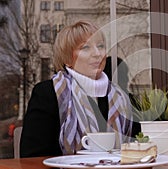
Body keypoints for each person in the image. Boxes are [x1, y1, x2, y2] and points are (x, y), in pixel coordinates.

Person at [20, 20, 133, 157]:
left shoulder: (121, 98)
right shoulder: (48, 94)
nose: (97, 53)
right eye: (85, 48)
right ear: (68, 59)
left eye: (101, 46)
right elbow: (32, 158)